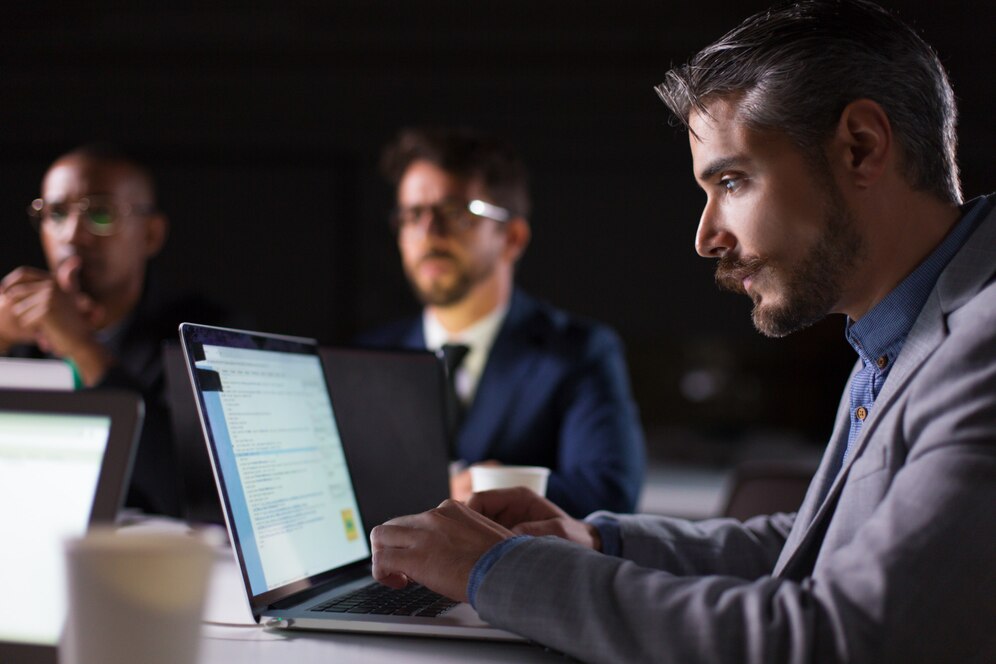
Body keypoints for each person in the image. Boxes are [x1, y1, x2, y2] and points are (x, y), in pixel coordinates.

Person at [367, 2, 996, 661]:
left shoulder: (980, 344)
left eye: (733, 179)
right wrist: (596, 542)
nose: (705, 238)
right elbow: (809, 544)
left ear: (860, 148)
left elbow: (844, 638)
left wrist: (496, 571)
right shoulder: (899, 334)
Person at [360, 127, 645, 516]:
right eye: (412, 215)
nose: (427, 233)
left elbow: (611, 494)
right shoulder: (369, 356)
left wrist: (486, 488)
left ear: (511, 237)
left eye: (456, 213)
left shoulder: (579, 351)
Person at [0, 144, 233, 517]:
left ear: (151, 235)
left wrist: (83, 347)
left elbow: (195, 496)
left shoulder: (204, 334)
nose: (73, 234)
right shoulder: (18, 327)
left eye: (101, 213)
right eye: (56, 213)